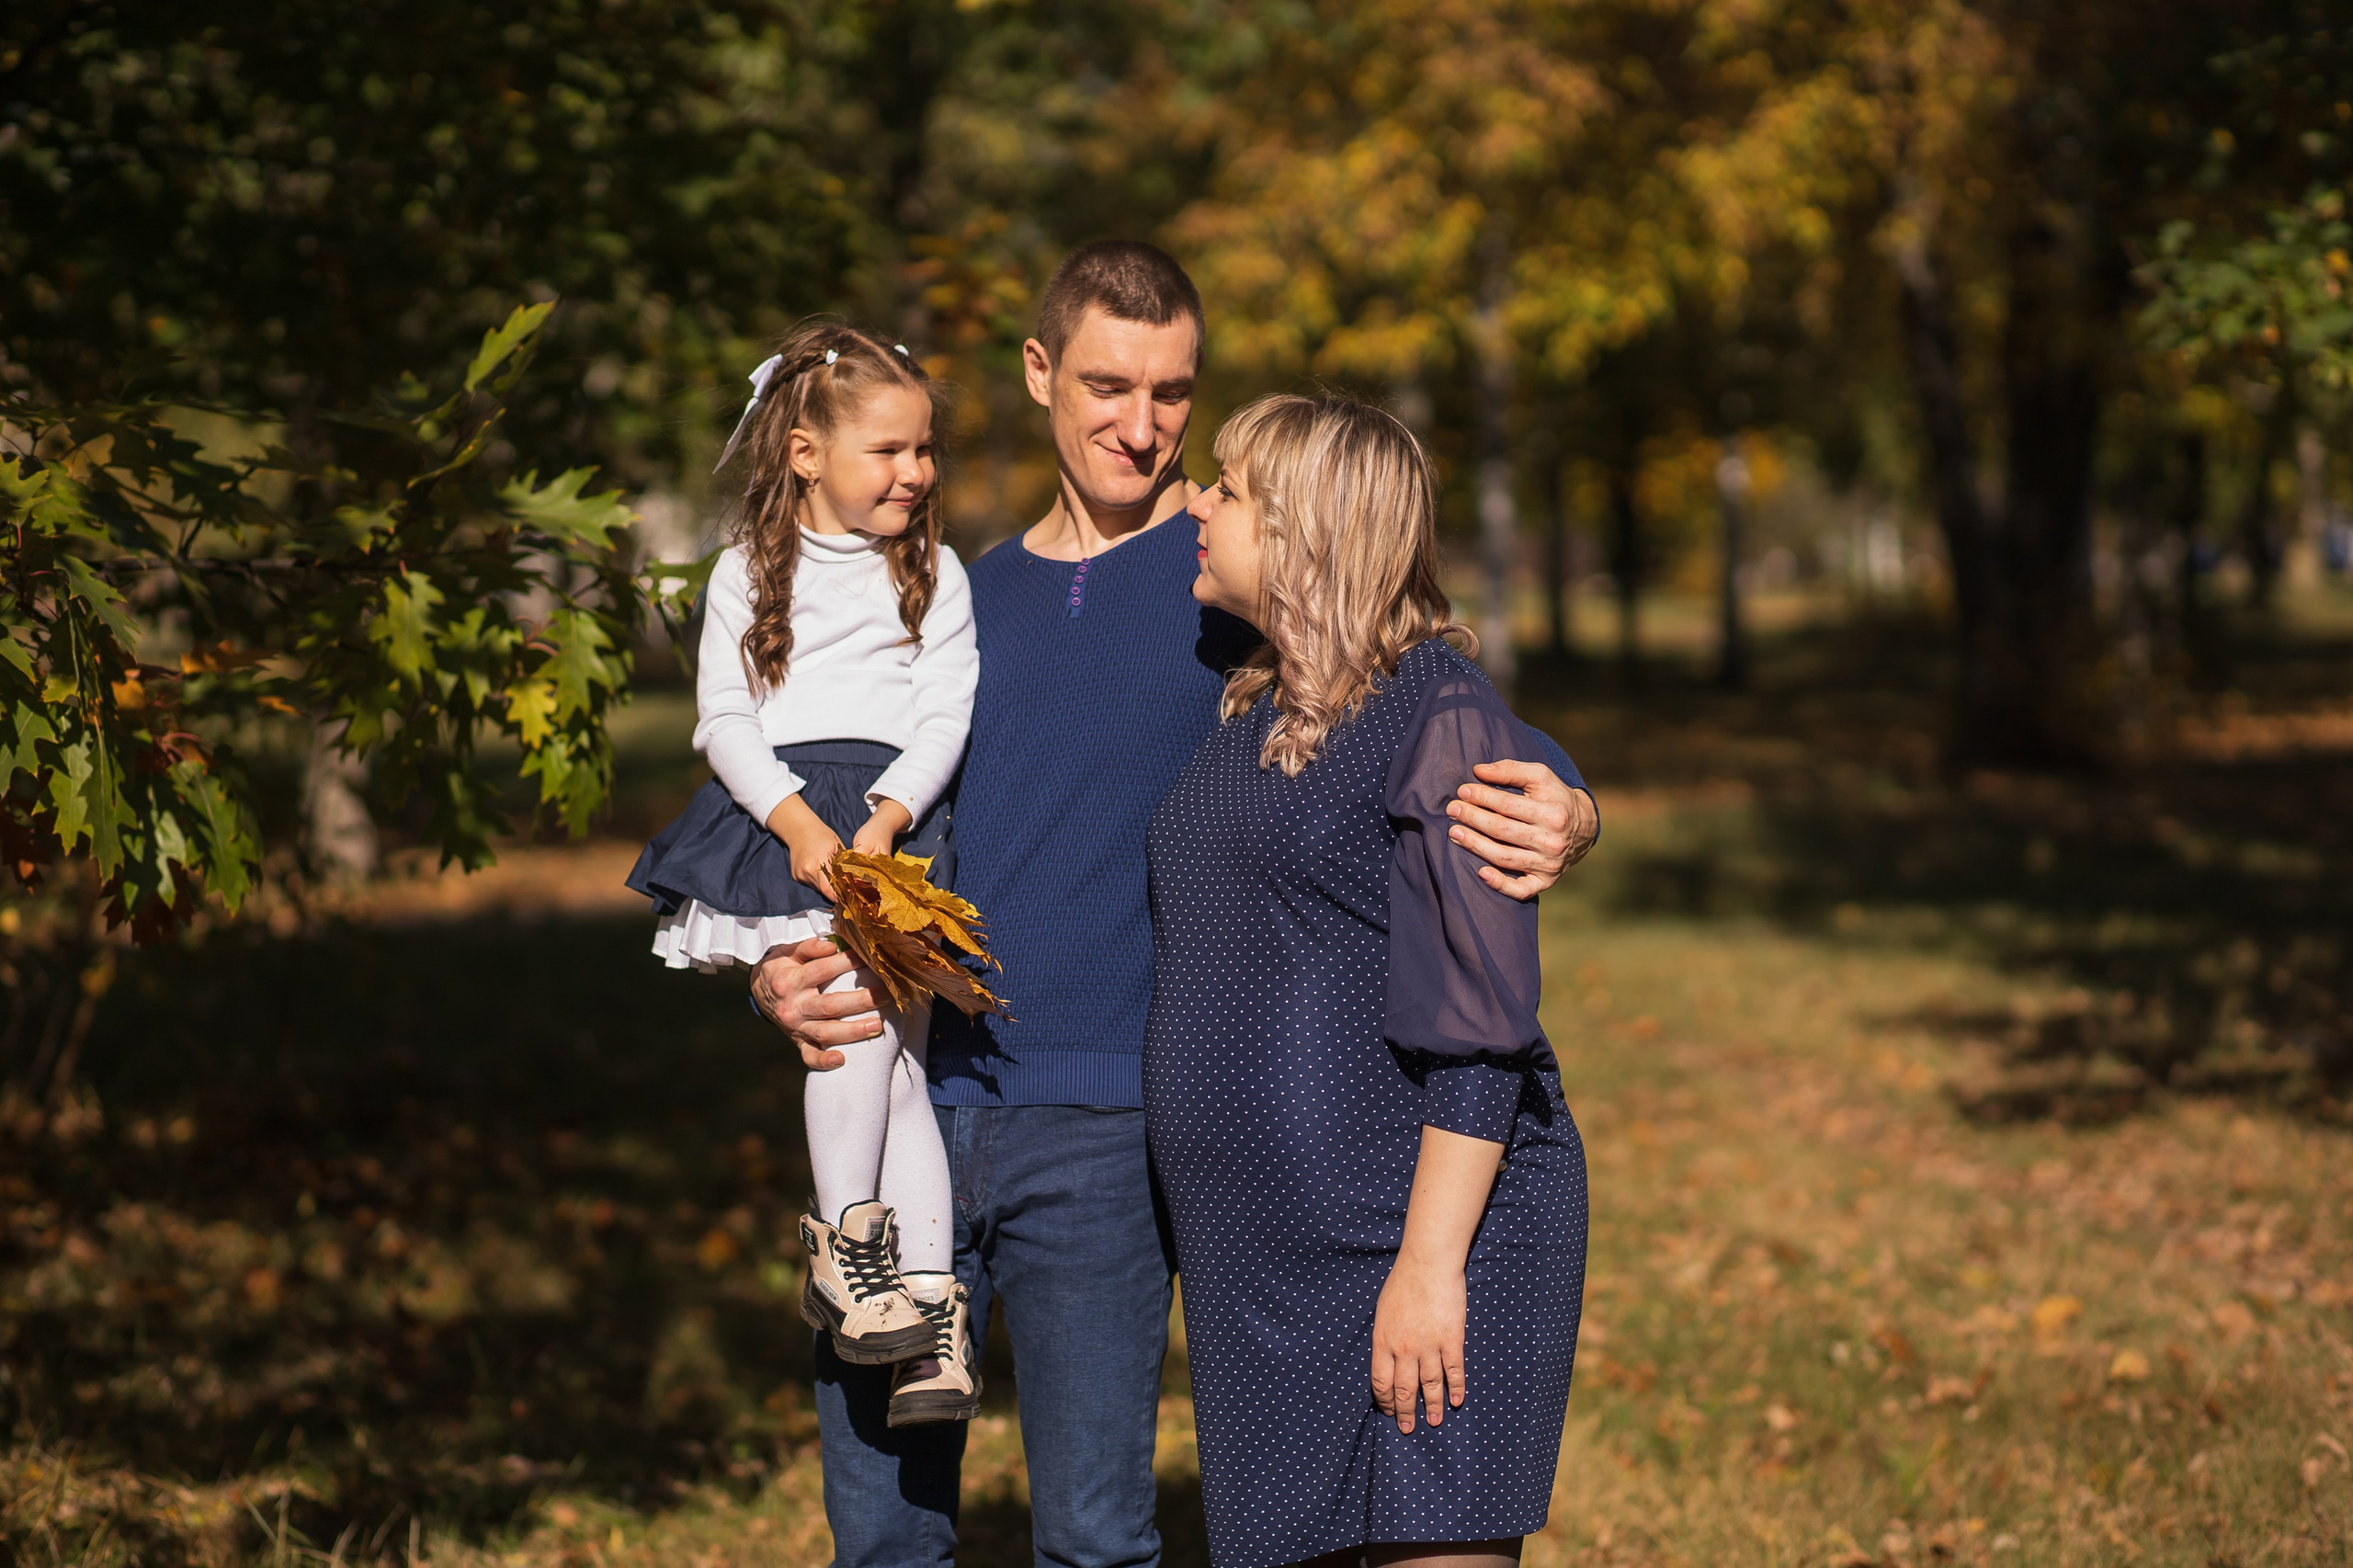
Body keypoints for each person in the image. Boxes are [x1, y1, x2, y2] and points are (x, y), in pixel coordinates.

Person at [750, 244, 1597, 1568]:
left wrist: (1570, 799)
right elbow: (838, 795)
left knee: (1094, 1533)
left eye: (1172, 395)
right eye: (1105, 384)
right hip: (912, 1100)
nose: (1142, 431)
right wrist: (782, 958)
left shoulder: (1232, 603)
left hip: (1110, 1133)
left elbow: (1422, 694)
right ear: (1038, 374)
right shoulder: (951, 599)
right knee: (881, 1528)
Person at [1145, 392, 1586, 1568]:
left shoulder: (1435, 712)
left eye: (1229, 490)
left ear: (1301, 530)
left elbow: (1481, 1029)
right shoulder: (1246, 705)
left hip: (1427, 1237)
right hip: (1264, 1262)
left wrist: (1429, 1267)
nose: (1198, 500)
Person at [625, 321, 983, 1428]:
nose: (914, 473)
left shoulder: (935, 572)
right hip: (788, 818)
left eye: (924, 450)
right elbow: (722, 716)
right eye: (888, 451)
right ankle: (849, 1251)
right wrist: (792, 820)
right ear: (806, 453)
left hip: (891, 826)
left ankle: (928, 1312)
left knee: (905, 1063)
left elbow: (945, 711)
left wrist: (885, 818)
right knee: (850, 1028)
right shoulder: (746, 572)